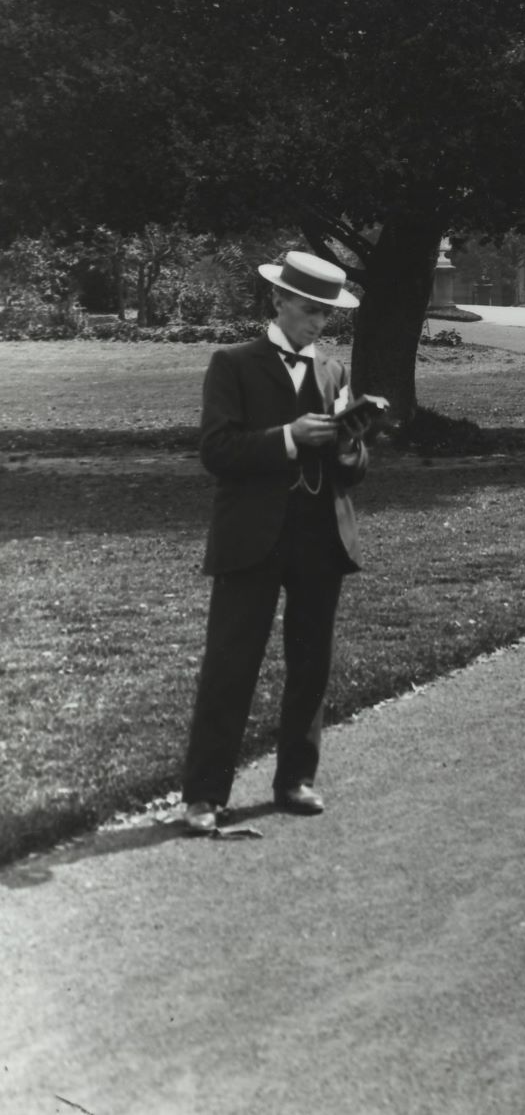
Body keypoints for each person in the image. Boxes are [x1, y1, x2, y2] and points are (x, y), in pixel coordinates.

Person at [178, 249, 377, 834]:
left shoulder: (334, 372)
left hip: (320, 534)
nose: (317, 322)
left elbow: (357, 463)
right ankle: (205, 794)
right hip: (250, 537)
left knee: (311, 662)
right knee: (230, 663)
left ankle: (296, 778)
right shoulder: (233, 364)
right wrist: (287, 438)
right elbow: (216, 452)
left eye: (326, 314)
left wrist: (349, 450)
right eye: (309, 309)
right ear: (279, 300)